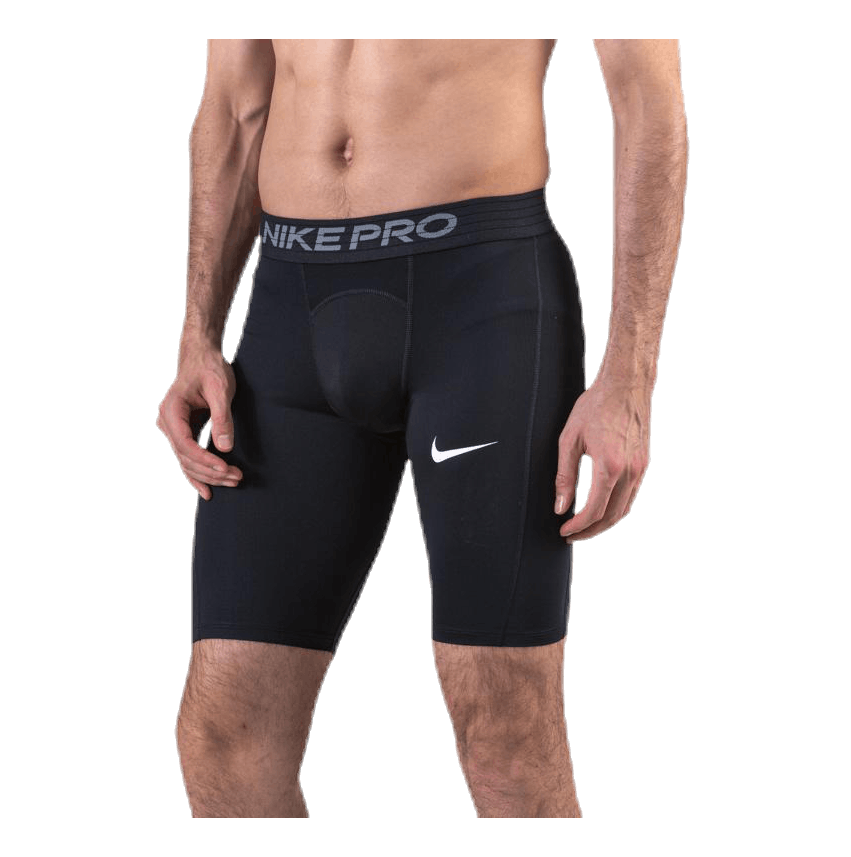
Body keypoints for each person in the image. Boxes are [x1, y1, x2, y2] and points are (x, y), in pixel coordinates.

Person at [157, 39, 687, 818]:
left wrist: (629, 379)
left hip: (480, 303)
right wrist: (197, 331)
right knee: (223, 739)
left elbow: (648, 101)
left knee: (504, 733)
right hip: (288, 309)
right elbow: (235, 102)